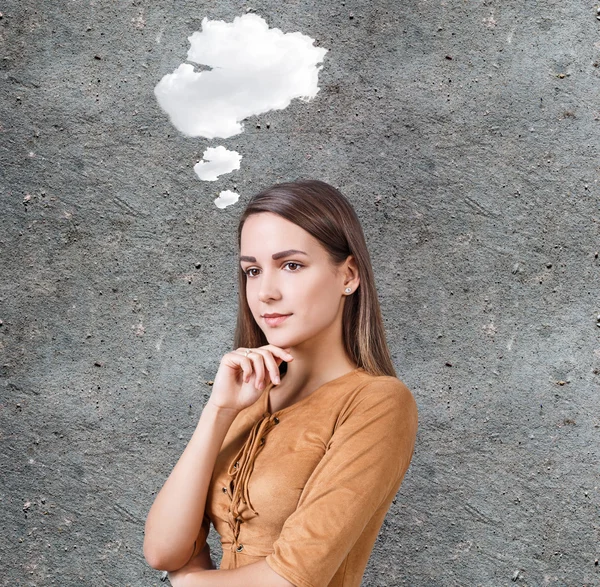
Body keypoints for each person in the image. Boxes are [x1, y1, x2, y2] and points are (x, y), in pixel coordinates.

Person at [143, 180, 418, 587]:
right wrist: (219, 411)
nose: (265, 293)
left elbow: (290, 579)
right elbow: (163, 551)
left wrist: (186, 581)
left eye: (291, 265)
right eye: (253, 270)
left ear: (348, 275)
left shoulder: (378, 403)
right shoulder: (246, 397)